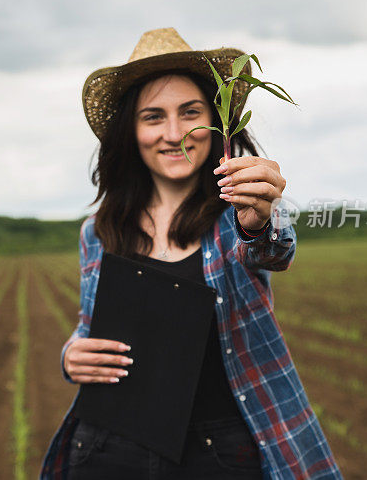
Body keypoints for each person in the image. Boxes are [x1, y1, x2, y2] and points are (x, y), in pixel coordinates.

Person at [39, 28, 343, 479]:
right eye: (154, 117)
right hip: (107, 447)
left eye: (191, 112)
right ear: (131, 130)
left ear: (215, 123)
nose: (175, 133)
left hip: (218, 454)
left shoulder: (234, 219)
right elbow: (92, 327)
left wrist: (261, 217)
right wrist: (71, 355)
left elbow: (271, 249)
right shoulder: (99, 232)